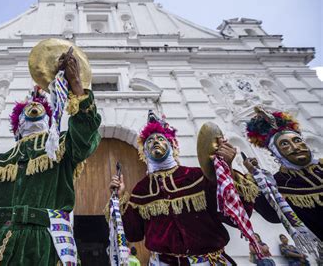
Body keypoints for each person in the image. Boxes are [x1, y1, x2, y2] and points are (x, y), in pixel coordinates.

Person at [0, 50, 102, 265]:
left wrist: (76, 85)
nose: (34, 108)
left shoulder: (61, 146)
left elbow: (86, 137)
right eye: (28, 110)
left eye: (40, 108)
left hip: (45, 241)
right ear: (17, 125)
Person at [109, 112, 258, 265]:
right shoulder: (141, 189)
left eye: (161, 138)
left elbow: (233, 215)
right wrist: (120, 199)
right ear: (144, 151)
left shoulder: (198, 176)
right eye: (150, 141)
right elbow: (133, 234)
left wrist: (227, 171)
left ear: (172, 145)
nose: (155, 142)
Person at [245, 106, 322, 241]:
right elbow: (274, 215)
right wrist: (256, 176)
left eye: (297, 140)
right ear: (276, 153)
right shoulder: (281, 182)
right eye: (285, 144)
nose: (295, 147)